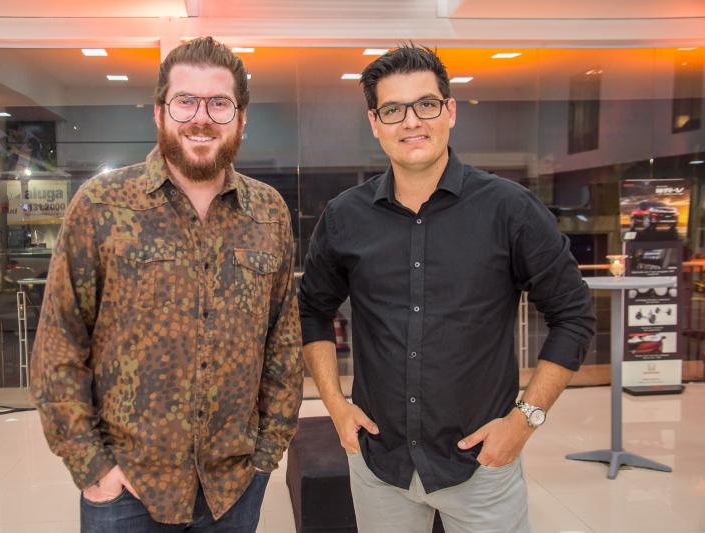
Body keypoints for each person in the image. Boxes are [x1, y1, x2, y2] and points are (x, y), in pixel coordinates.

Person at [299, 45, 595, 533]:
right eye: (393, 110)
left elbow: (574, 316)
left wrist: (524, 421)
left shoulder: (509, 209)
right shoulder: (344, 216)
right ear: (375, 122)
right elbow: (312, 309)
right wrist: (335, 406)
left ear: (450, 111)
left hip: (482, 466)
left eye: (426, 104)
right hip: (379, 465)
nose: (411, 121)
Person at [31, 36, 303, 532]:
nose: (202, 117)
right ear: (159, 113)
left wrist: (267, 454)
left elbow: (283, 343)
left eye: (219, 103)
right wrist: (93, 469)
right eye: (185, 101)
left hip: (233, 488)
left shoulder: (268, 212)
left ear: (241, 117)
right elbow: (58, 347)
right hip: (127, 491)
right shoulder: (101, 205)